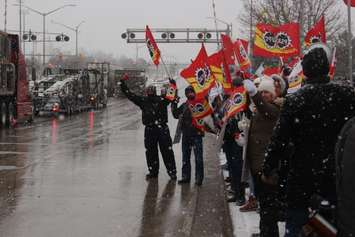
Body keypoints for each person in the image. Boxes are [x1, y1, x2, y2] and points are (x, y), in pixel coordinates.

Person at [262, 43, 355, 237]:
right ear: (328, 68)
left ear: (304, 71)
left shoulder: (296, 101)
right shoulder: (348, 96)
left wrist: (268, 168)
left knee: (296, 226)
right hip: (337, 180)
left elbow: (279, 140)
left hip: (302, 181)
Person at [243, 76, 283, 237]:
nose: (264, 95)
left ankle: (269, 233)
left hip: (267, 166)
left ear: (273, 95)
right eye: (262, 92)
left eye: (267, 92)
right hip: (257, 165)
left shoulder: (274, 109)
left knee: (269, 208)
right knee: (264, 206)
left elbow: (263, 106)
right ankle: (264, 232)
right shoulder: (261, 109)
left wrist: (254, 93)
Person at [120, 74, 177, 180]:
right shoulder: (146, 101)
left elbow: (171, 96)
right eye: (149, 90)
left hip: (161, 129)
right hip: (152, 129)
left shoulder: (160, 100)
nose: (150, 92)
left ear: (154, 91)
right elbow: (130, 95)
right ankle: (154, 172)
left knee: (166, 152)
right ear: (147, 92)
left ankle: (171, 172)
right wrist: (123, 83)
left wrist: (173, 85)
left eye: (151, 90)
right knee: (151, 152)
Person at [171, 86, 204, 186]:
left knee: (198, 158)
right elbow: (175, 114)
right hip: (186, 134)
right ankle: (186, 176)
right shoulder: (185, 105)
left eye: (191, 92)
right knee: (185, 158)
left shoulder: (200, 104)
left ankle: (199, 178)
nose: (190, 94)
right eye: (188, 93)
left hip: (197, 134)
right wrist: (174, 102)